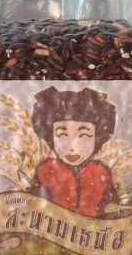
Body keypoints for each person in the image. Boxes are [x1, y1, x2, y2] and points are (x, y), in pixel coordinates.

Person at [30, 86, 119, 216]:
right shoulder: (45, 172)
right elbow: (34, 212)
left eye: (84, 135)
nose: (72, 146)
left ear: (97, 137)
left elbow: (114, 214)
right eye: (62, 135)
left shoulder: (101, 174)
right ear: (51, 137)